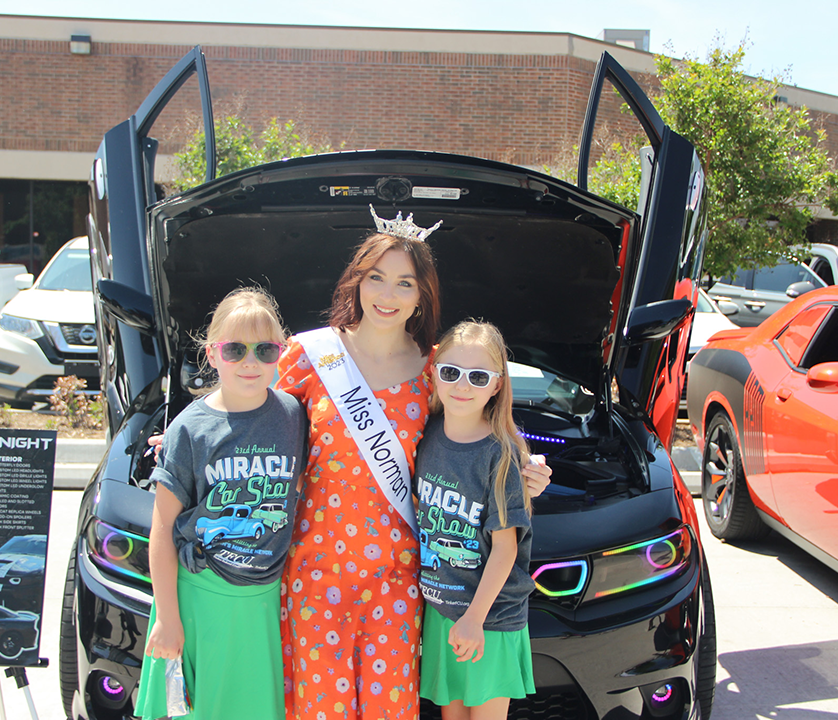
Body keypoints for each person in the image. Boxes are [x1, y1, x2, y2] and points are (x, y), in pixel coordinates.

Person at [275, 207, 551, 720]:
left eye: (404, 283)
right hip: (314, 573)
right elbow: (255, 418)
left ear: (422, 294)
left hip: (398, 576)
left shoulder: (434, 370)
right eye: (376, 278)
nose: (388, 294)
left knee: (388, 710)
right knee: (321, 708)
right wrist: (196, 431)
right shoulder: (309, 355)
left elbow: (488, 429)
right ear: (356, 282)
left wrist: (528, 471)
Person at [134, 287, 307, 720]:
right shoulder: (190, 429)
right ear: (212, 355)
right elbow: (161, 531)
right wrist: (168, 619)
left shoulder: (294, 415)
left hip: (265, 600)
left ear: (281, 355)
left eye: (265, 350)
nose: (251, 362)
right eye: (235, 349)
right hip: (201, 599)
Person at [415, 321, 535, 720]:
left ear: (497, 385)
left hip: (488, 618)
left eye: (478, 376)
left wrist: (473, 620)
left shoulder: (499, 455)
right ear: (433, 371)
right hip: (444, 612)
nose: (462, 386)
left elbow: (505, 549)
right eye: (451, 372)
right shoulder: (425, 436)